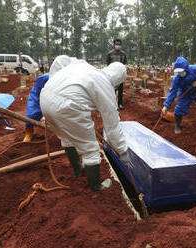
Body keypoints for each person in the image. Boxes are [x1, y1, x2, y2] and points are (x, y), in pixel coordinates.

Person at [40, 60, 129, 192]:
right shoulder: (105, 84)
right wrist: (123, 152)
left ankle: (78, 170)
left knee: (66, 137)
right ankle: (96, 186)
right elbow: (112, 126)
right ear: (118, 80)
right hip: (68, 106)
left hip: (45, 98)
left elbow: (60, 61)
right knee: (90, 149)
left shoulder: (86, 68)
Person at [22, 55, 75, 142]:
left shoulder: (70, 79)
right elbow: (38, 93)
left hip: (58, 97)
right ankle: (29, 132)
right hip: (38, 95)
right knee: (32, 114)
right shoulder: (45, 78)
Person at [161, 57, 196, 134]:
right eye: (178, 72)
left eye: (181, 71)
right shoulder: (177, 78)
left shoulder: (195, 69)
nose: (180, 73)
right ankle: (177, 126)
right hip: (184, 92)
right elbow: (173, 91)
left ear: (186, 68)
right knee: (179, 108)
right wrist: (166, 106)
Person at [106, 39, 127, 109]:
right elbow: (108, 64)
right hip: (112, 75)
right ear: (114, 44)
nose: (118, 46)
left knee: (120, 90)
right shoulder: (110, 53)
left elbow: (124, 64)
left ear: (121, 45)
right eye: (116, 44)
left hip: (120, 75)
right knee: (112, 90)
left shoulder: (123, 54)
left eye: (119, 44)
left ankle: (120, 104)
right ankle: (113, 104)